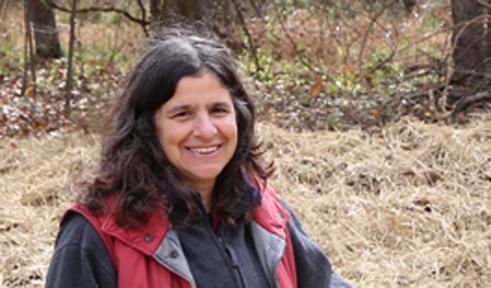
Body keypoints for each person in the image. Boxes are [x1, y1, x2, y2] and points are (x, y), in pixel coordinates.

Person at [45, 29, 351, 288]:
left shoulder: (265, 212)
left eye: (218, 110)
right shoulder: (97, 236)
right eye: (183, 114)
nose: (206, 131)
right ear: (147, 126)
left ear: (239, 118)